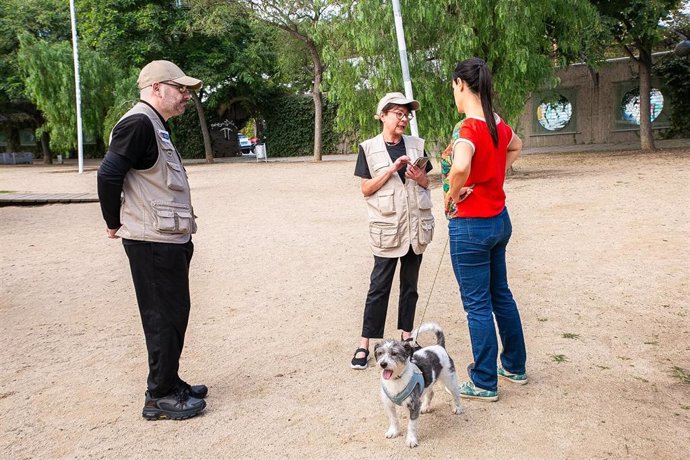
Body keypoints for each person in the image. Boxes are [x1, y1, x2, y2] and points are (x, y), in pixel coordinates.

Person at [97, 60, 207, 420]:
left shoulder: (154, 124)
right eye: (180, 88)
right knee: (162, 316)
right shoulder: (138, 122)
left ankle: (170, 381)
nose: (186, 95)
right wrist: (113, 221)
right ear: (157, 89)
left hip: (167, 238)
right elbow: (109, 173)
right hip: (151, 241)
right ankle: (158, 395)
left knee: (174, 313)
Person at [440, 58, 526, 401]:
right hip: (498, 220)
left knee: (476, 304)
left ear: (461, 84)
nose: (454, 94)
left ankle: (484, 380)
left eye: (453, 88)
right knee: (500, 294)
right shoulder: (499, 123)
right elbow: (516, 145)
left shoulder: (467, 128)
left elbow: (460, 165)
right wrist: (494, 174)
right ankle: (515, 366)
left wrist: (452, 193)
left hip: (471, 226)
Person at [351, 92, 435, 370]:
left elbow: (427, 183)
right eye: (398, 113)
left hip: (414, 228)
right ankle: (364, 344)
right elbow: (365, 189)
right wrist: (390, 170)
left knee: (410, 286)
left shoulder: (417, 145)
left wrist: (419, 177)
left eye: (406, 114)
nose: (404, 119)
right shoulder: (369, 148)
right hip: (387, 229)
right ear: (382, 115)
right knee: (379, 287)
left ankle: (407, 337)